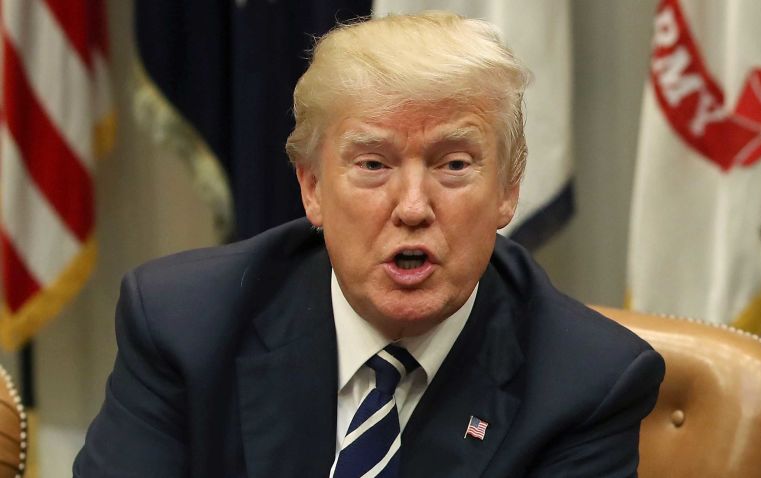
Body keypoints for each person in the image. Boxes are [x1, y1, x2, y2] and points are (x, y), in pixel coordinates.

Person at [74, 11, 664, 477]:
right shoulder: (184, 323)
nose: (412, 207)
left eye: (454, 165)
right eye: (374, 164)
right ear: (312, 189)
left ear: (508, 190)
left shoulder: (586, 381)